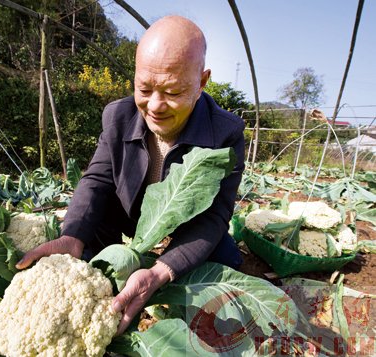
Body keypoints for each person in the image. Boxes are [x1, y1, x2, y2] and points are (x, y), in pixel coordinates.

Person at [16, 15, 245, 335]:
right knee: (88, 240)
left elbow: (215, 215)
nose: (155, 105)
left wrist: (163, 270)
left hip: (188, 223)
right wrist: (73, 234)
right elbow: (97, 180)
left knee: (220, 257)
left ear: (201, 82)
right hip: (127, 216)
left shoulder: (226, 133)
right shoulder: (118, 116)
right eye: (144, 88)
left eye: (173, 91)